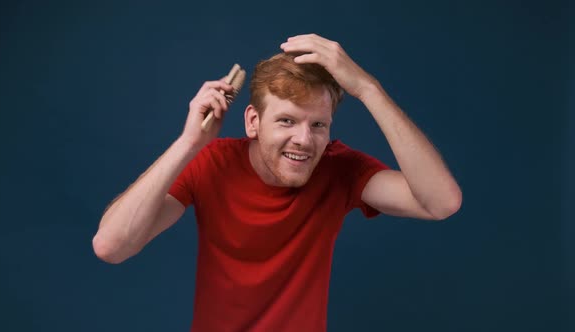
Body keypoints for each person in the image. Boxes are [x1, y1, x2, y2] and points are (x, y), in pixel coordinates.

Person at [92, 34, 462, 331]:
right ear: (252, 121)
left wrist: (367, 88)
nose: (304, 139)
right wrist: (188, 144)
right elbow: (112, 246)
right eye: (286, 121)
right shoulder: (212, 162)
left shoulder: (339, 169)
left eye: (318, 124)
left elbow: (441, 203)